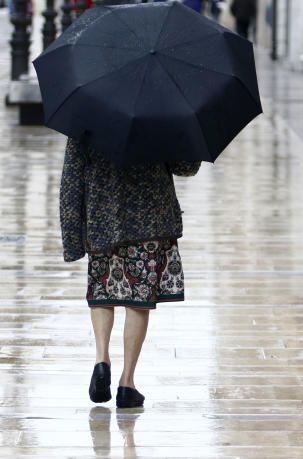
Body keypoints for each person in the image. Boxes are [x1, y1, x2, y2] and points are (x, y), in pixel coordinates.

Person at [60, 138, 200, 408]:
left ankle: (102, 359)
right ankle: (127, 383)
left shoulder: (88, 107)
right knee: (138, 298)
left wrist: (72, 237)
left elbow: (72, 176)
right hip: (149, 218)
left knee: (104, 290)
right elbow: (186, 166)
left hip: (103, 216)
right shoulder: (161, 108)